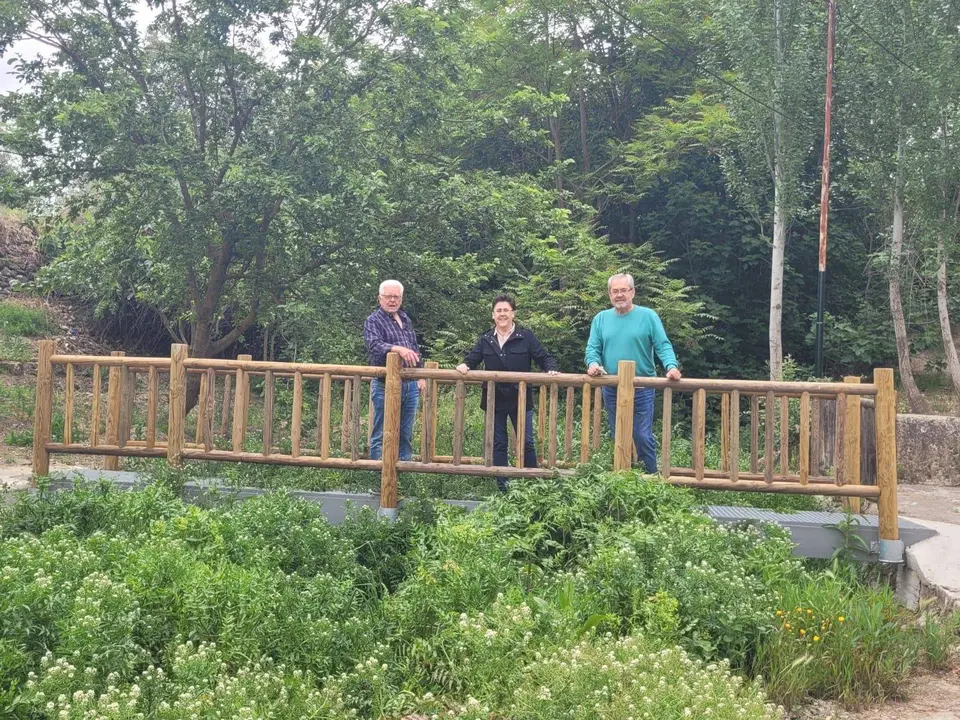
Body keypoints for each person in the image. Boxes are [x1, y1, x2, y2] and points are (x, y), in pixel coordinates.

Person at [457, 294, 559, 491]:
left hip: (520, 398)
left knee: (527, 442)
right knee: (498, 443)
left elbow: (544, 357)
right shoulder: (486, 339)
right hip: (494, 399)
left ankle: (532, 485)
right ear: (493, 315)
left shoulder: (526, 336)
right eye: (498, 311)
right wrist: (464, 365)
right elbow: (472, 358)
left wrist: (551, 368)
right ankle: (503, 487)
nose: (502, 314)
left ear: (513, 314)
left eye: (506, 310)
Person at [585, 273, 681, 474]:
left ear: (632, 292)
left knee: (642, 434)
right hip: (612, 387)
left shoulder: (648, 316)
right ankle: (623, 478)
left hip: (643, 386)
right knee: (618, 433)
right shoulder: (601, 319)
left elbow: (662, 345)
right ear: (609, 294)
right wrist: (593, 363)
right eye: (615, 291)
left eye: (623, 290)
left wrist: (671, 366)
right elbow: (592, 348)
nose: (619, 295)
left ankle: (652, 475)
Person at [363, 280, 426, 461]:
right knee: (382, 432)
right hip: (385, 384)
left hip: (410, 385)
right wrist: (397, 349)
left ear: (401, 298)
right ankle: (378, 479)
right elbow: (374, 345)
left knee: (405, 434)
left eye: (396, 297)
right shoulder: (373, 320)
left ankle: (403, 478)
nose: (392, 300)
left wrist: (421, 375)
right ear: (379, 298)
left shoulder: (405, 318)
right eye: (388, 296)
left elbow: (413, 348)